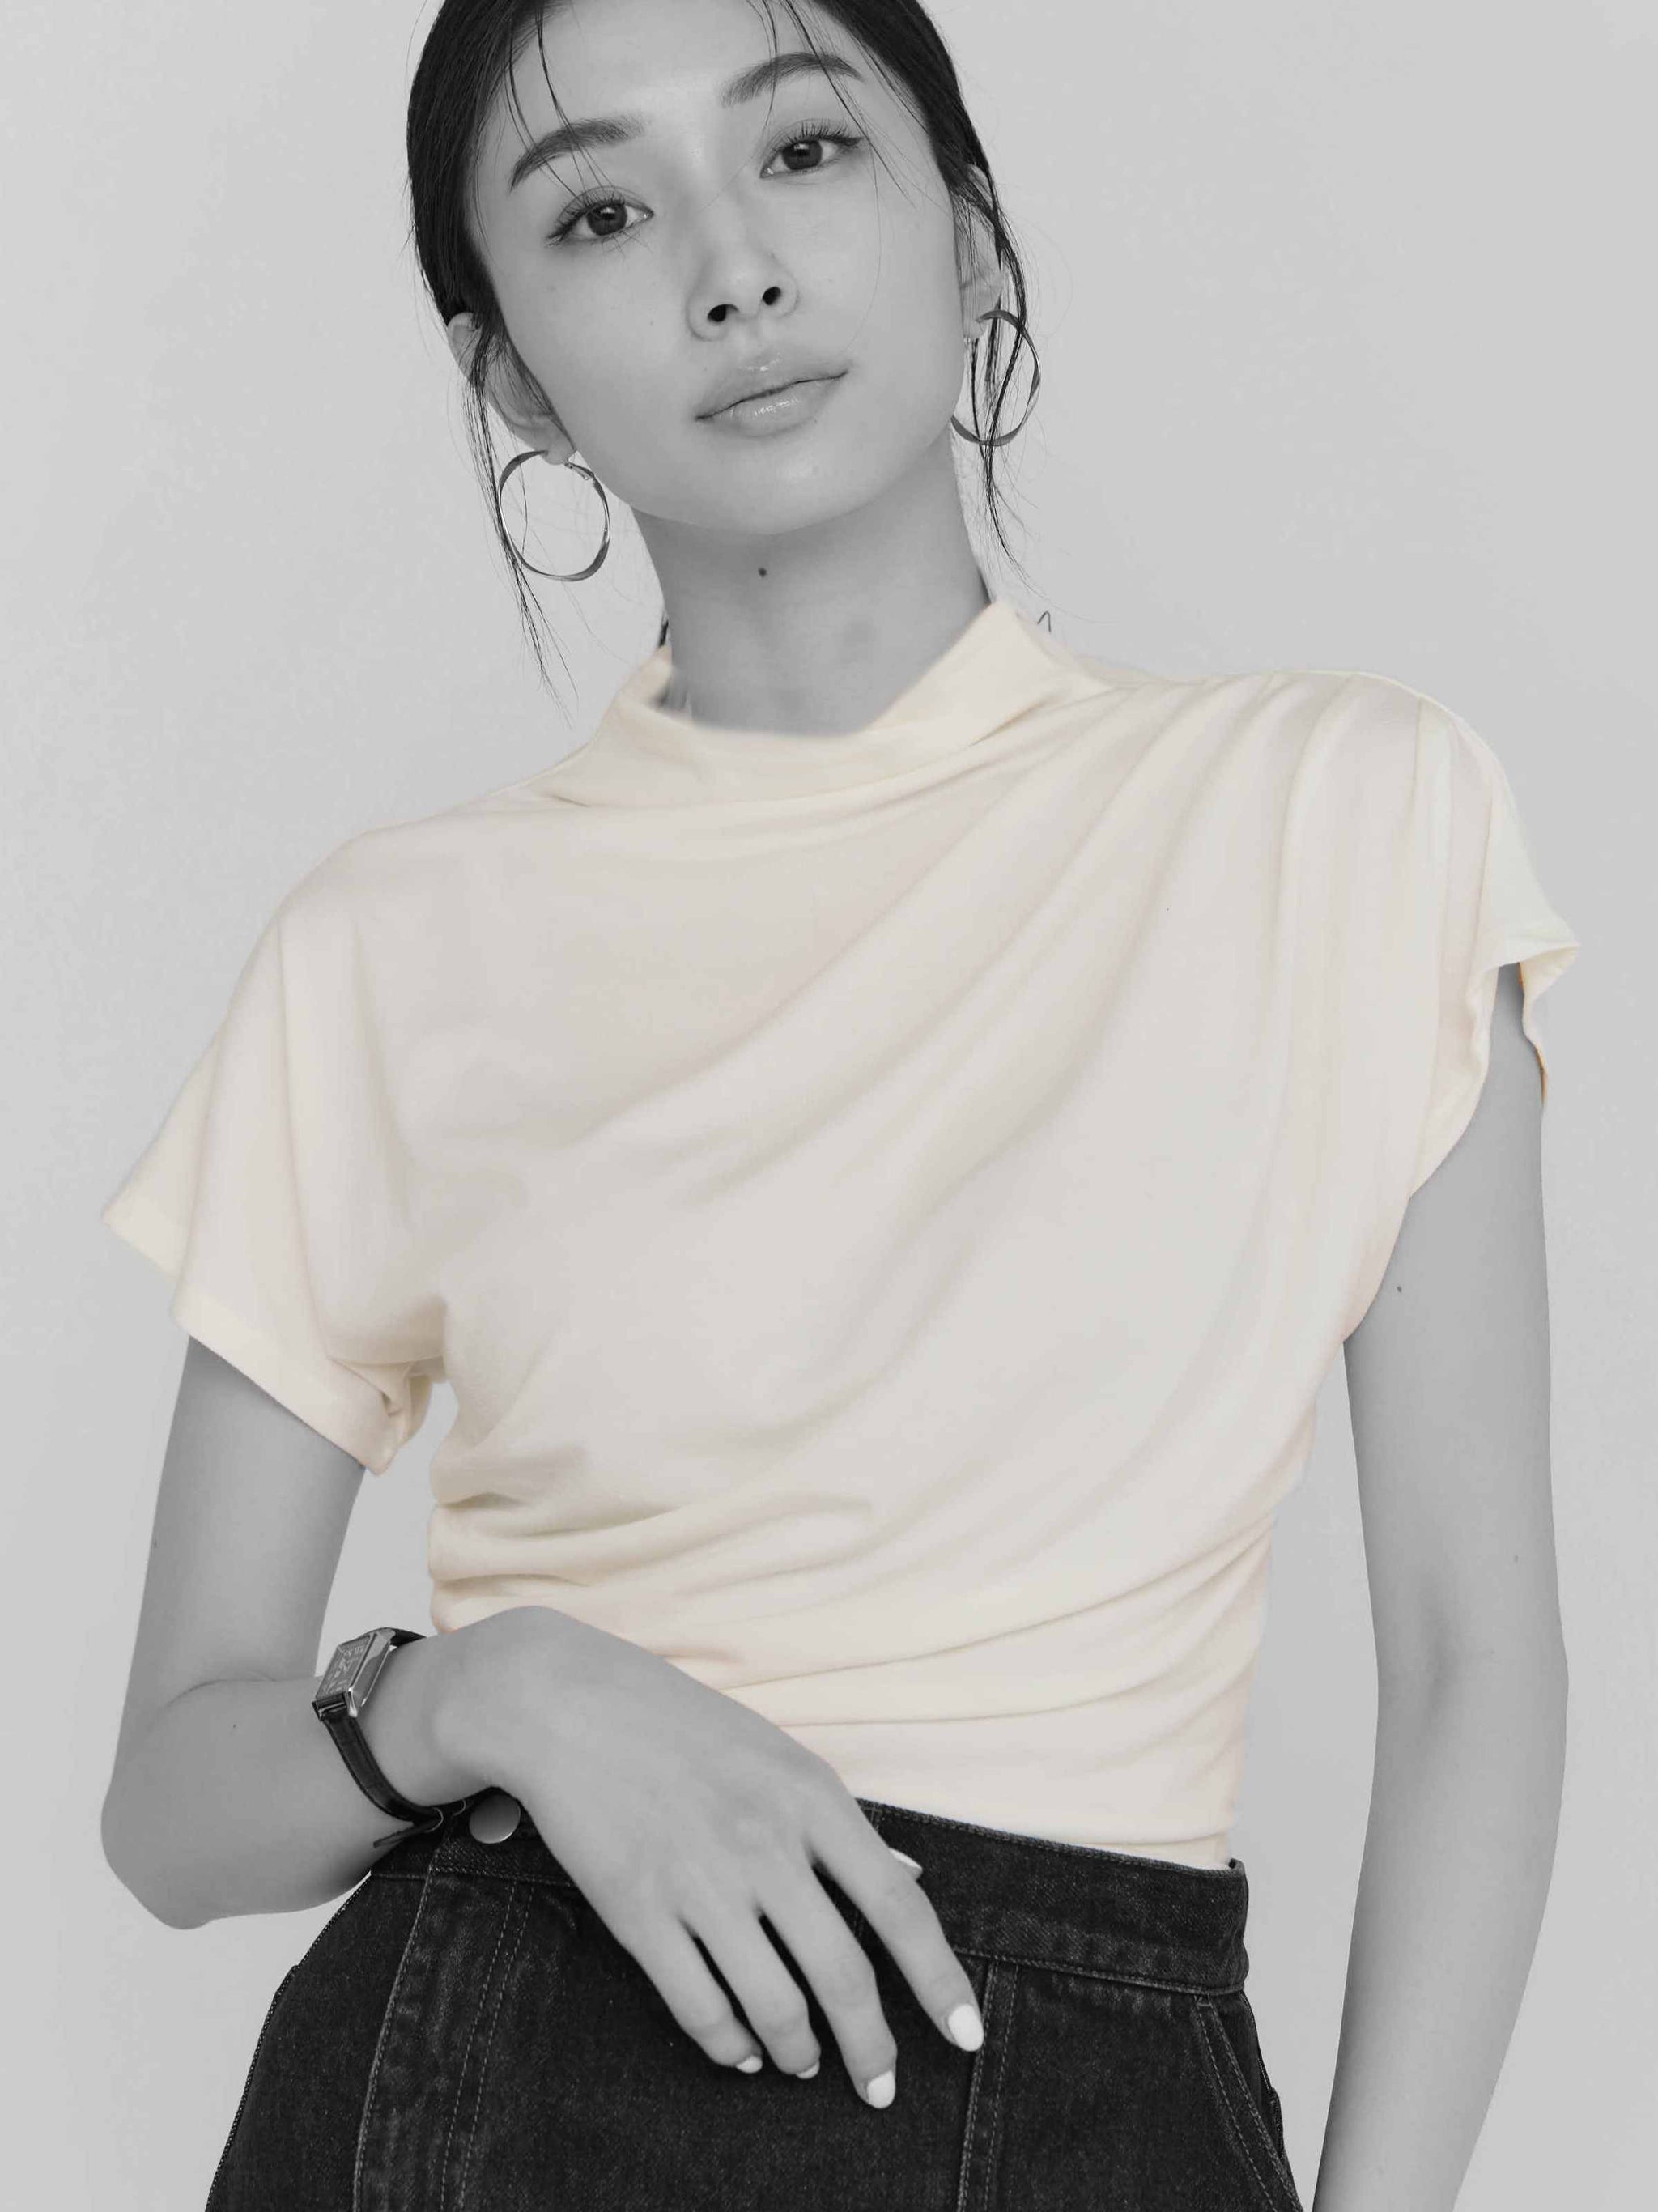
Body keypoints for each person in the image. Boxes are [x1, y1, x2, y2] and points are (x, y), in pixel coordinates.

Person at [97, 2, 1581, 2207]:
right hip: (477, 2067)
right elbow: (172, 1807)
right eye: (601, 213)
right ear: (514, 379)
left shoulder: (1344, 814)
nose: (734, 268)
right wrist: (490, 1690)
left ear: (969, 229)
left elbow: (1478, 1663)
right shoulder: (391, 944)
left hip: (1084, 2080)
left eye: (800, 151)